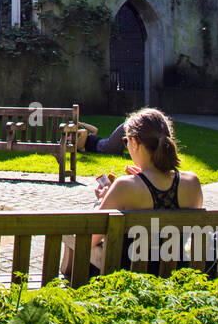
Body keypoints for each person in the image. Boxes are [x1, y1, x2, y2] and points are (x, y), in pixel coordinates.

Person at [64, 108, 204, 276]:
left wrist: (101, 201)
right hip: (174, 275)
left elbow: (89, 240)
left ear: (135, 143)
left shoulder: (124, 187)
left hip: (128, 278)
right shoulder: (192, 182)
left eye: (126, 142)